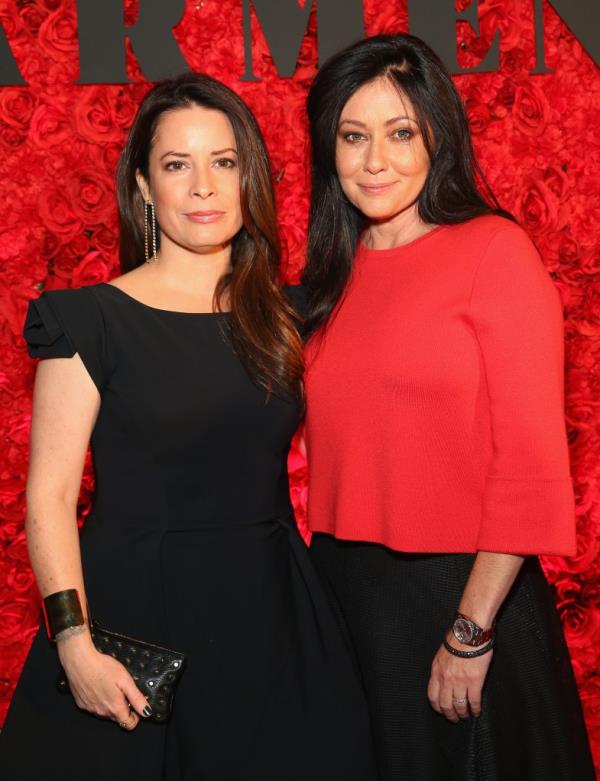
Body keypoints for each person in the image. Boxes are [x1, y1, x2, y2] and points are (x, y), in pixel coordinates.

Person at [0, 72, 377, 781]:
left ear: (248, 177)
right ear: (144, 187)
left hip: (272, 616)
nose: (204, 186)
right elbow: (49, 495)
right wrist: (73, 643)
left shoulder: (290, 316)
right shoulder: (88, 321)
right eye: (178, 165)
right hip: (134, 618)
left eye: (223, 162)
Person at [301, 34, 595, 781]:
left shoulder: (494, 252)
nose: (376, 160)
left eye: (400, 133)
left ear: (438, 137)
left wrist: (470, 631)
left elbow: (529, 463)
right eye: (353, 136)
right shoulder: (330, 277)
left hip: (463, 599)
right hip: (346, 599)